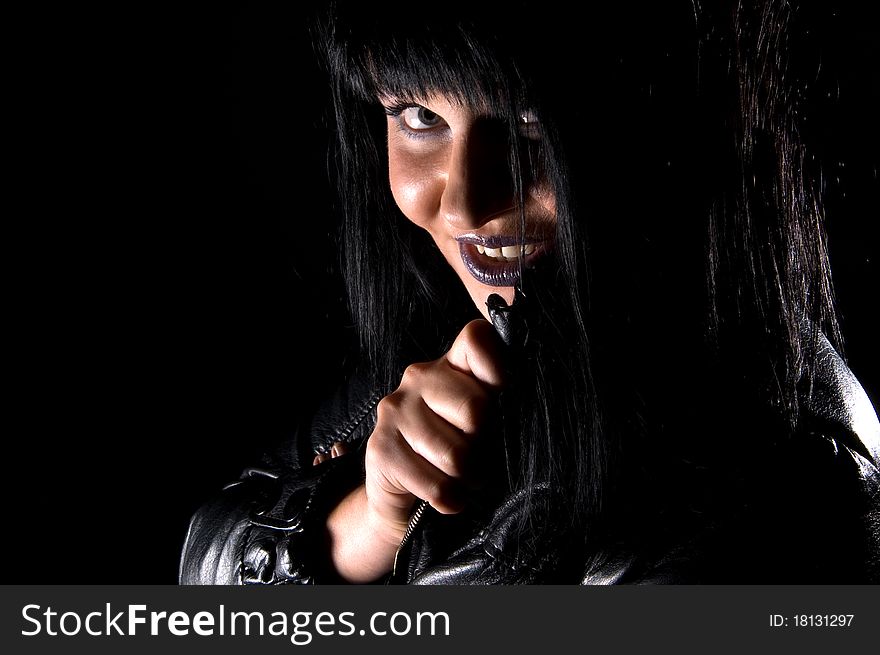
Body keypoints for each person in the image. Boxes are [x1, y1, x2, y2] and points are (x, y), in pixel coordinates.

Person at [179, 0, 880, 584]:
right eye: (420, 116)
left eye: (526, 123)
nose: (462, 205)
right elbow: (205, 561)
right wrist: (367, 522)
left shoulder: (774, 496)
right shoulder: (466, 336)